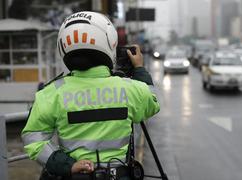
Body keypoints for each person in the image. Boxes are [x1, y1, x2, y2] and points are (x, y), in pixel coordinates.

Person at [21, 11, 160, 180]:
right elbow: (152, 104)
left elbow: (33, 140)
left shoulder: (50, 94)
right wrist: (139, 69)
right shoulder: (132, 89)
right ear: (109, 42)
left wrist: (68, 165)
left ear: (63, 46)